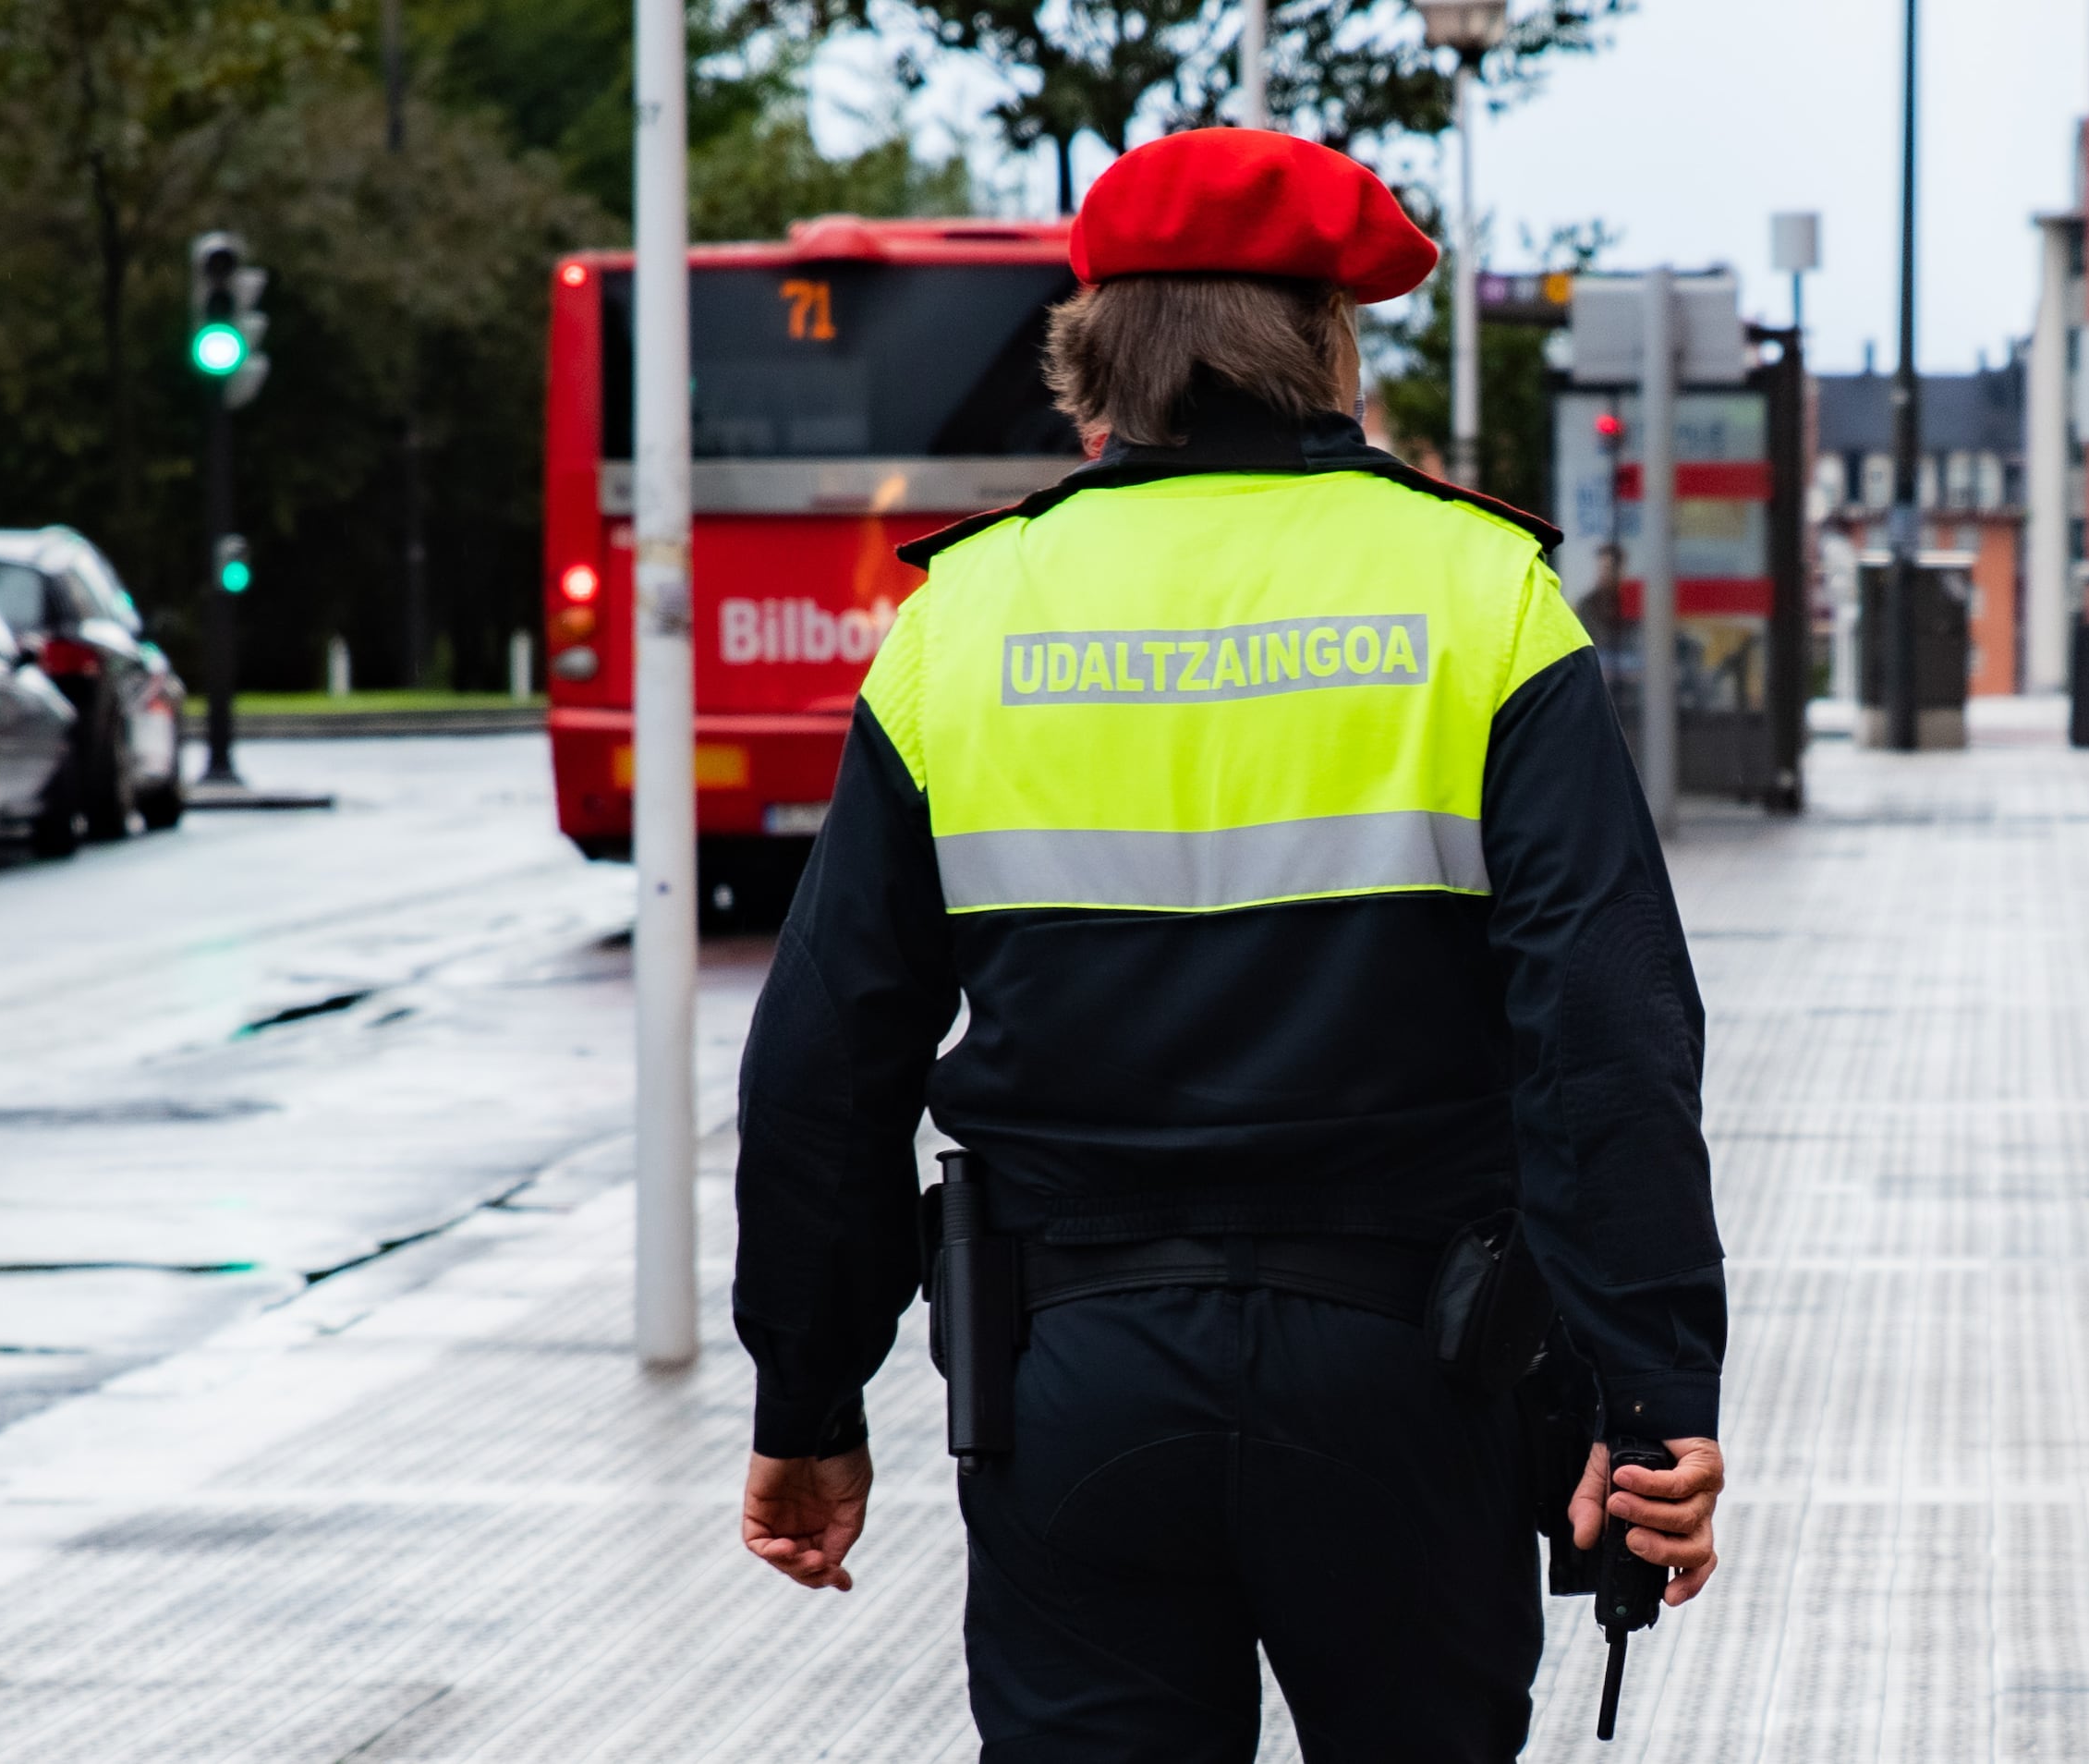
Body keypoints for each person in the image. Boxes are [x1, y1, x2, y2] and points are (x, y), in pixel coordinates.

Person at [725, 128, 1729, 1759]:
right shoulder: (1482, 598)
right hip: (1415, 1375)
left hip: (1073, 1378)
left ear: (1093, 349)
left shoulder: (963, 622)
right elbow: (1606, 1036)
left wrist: (808, 1400)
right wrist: (1653, 1394)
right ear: (1329, 342)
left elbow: (825, 1063)